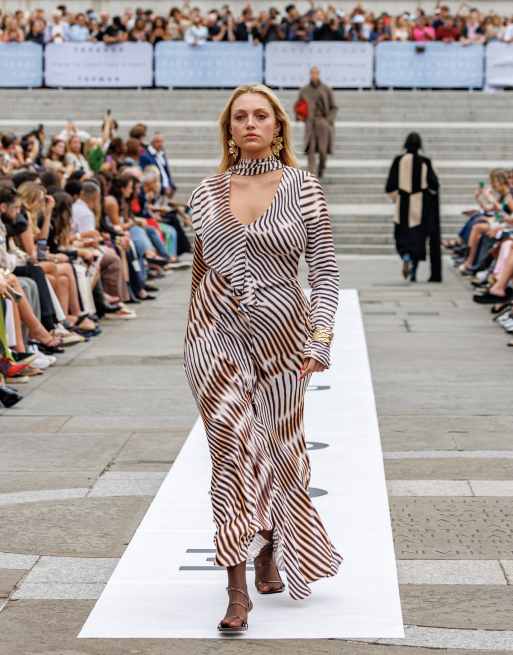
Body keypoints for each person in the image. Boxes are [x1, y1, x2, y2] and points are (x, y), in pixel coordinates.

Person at [183, 83, 343, 634]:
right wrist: (192, 339)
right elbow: (200, 271)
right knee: (231, 451)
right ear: (229, 129)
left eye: (260, 115)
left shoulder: (303, 188)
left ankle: (272, 540)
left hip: (284, 340)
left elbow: (324, 271)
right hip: (214, 334)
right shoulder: (205, 193)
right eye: (240, 117)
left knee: (282, 451)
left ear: (278, 126)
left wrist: (320, 338)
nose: (250, 123)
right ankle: (236, 590)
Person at [385, 132, 441, 282]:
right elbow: (434, 184)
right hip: (420, 204)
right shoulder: (425, 161)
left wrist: (397, 198)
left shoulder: (398, 160)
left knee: (402, 235)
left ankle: (405, 256)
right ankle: (414, 268)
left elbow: (390, 185)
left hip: (402, 203)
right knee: (418, 238)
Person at [294, 66, 337, 179]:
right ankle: (312, 175)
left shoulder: (326, 89)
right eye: (312, 73)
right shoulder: (304, 90)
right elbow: (298, 106)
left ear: (319, 74)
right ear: (310, 74)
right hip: (310, 123)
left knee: (323, 150)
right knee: (311, 150)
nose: (314, 75)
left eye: (316, 73)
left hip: (322, 123)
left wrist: (328, 121)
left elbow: (334, 107)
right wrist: (299, 116)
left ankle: (321, 168)